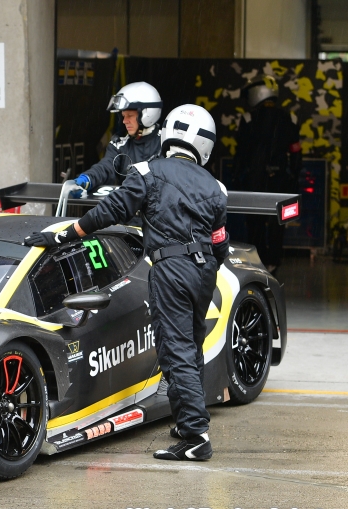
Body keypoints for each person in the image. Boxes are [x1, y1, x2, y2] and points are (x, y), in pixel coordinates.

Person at [26, 104, 229, 461]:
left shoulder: (149, 170)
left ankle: (196, 436)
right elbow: (220, 242)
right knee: (191, 345)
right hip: (205, 270)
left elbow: (110, 211)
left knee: (175, 349)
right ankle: (186, 421)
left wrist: (64, 235)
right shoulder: (216, 187)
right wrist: (204, 268)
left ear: (169, 133)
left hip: (171, 267)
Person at [234, 75, 302, 274]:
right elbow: (296, 152)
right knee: (277, 225)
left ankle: (257, 262)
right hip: (281, 182)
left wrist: (238, 178)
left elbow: (241, 154)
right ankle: (273, 263)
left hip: (255, 182)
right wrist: (293, 177)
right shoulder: (289, 119)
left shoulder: (248, 119)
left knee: (255, 224)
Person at [73, 81, 163, 192]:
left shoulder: (166, 144)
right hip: (128, 203)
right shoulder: (119, 145)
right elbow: (106, 167)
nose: (125, 121)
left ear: (148, 114)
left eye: (130, 115)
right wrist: (88, 179)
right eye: (123, 116)